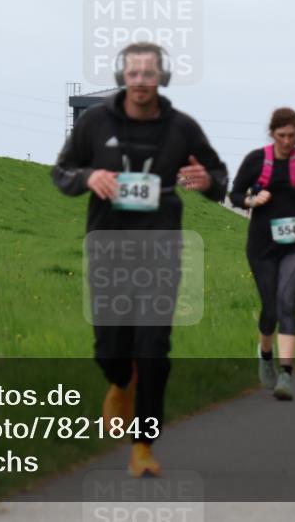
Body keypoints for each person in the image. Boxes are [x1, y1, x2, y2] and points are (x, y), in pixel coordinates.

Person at [52, 41, 228, 477]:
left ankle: (144, 446)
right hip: (109, 248)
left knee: (153, 351)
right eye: (133, 74)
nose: (141, 82)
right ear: (121, 77)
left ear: (162, 77)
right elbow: (62, 172)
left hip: (160, 250)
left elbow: (219, 178)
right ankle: (117, 381)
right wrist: (90, 175)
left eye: (149, 74)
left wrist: (207, 180)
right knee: (110, 349)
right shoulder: (94, 123)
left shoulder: (182, 128)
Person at [229, 107, 295, 402]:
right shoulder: (256, 160)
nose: (287, 140)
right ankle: (265, 354)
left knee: (287, 299)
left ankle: (286, 373)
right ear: (272, 133)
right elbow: (235, 195)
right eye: (281, 135)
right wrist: (251, 199)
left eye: (292, 135)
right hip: (262, 244)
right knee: (270, 307)